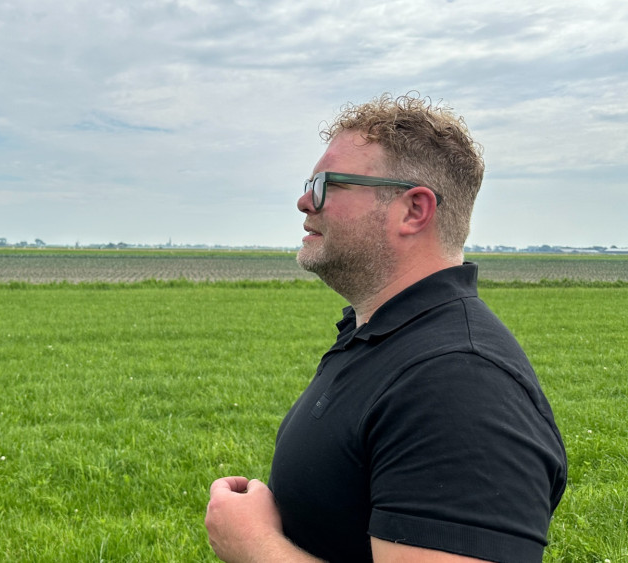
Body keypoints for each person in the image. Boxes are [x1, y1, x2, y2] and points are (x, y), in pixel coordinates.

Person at [204, 93, 567, 563]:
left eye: (325, 185)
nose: (303, 201)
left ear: (414, 210)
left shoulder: (458, 382)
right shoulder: (382, 336)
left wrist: (255, 547)